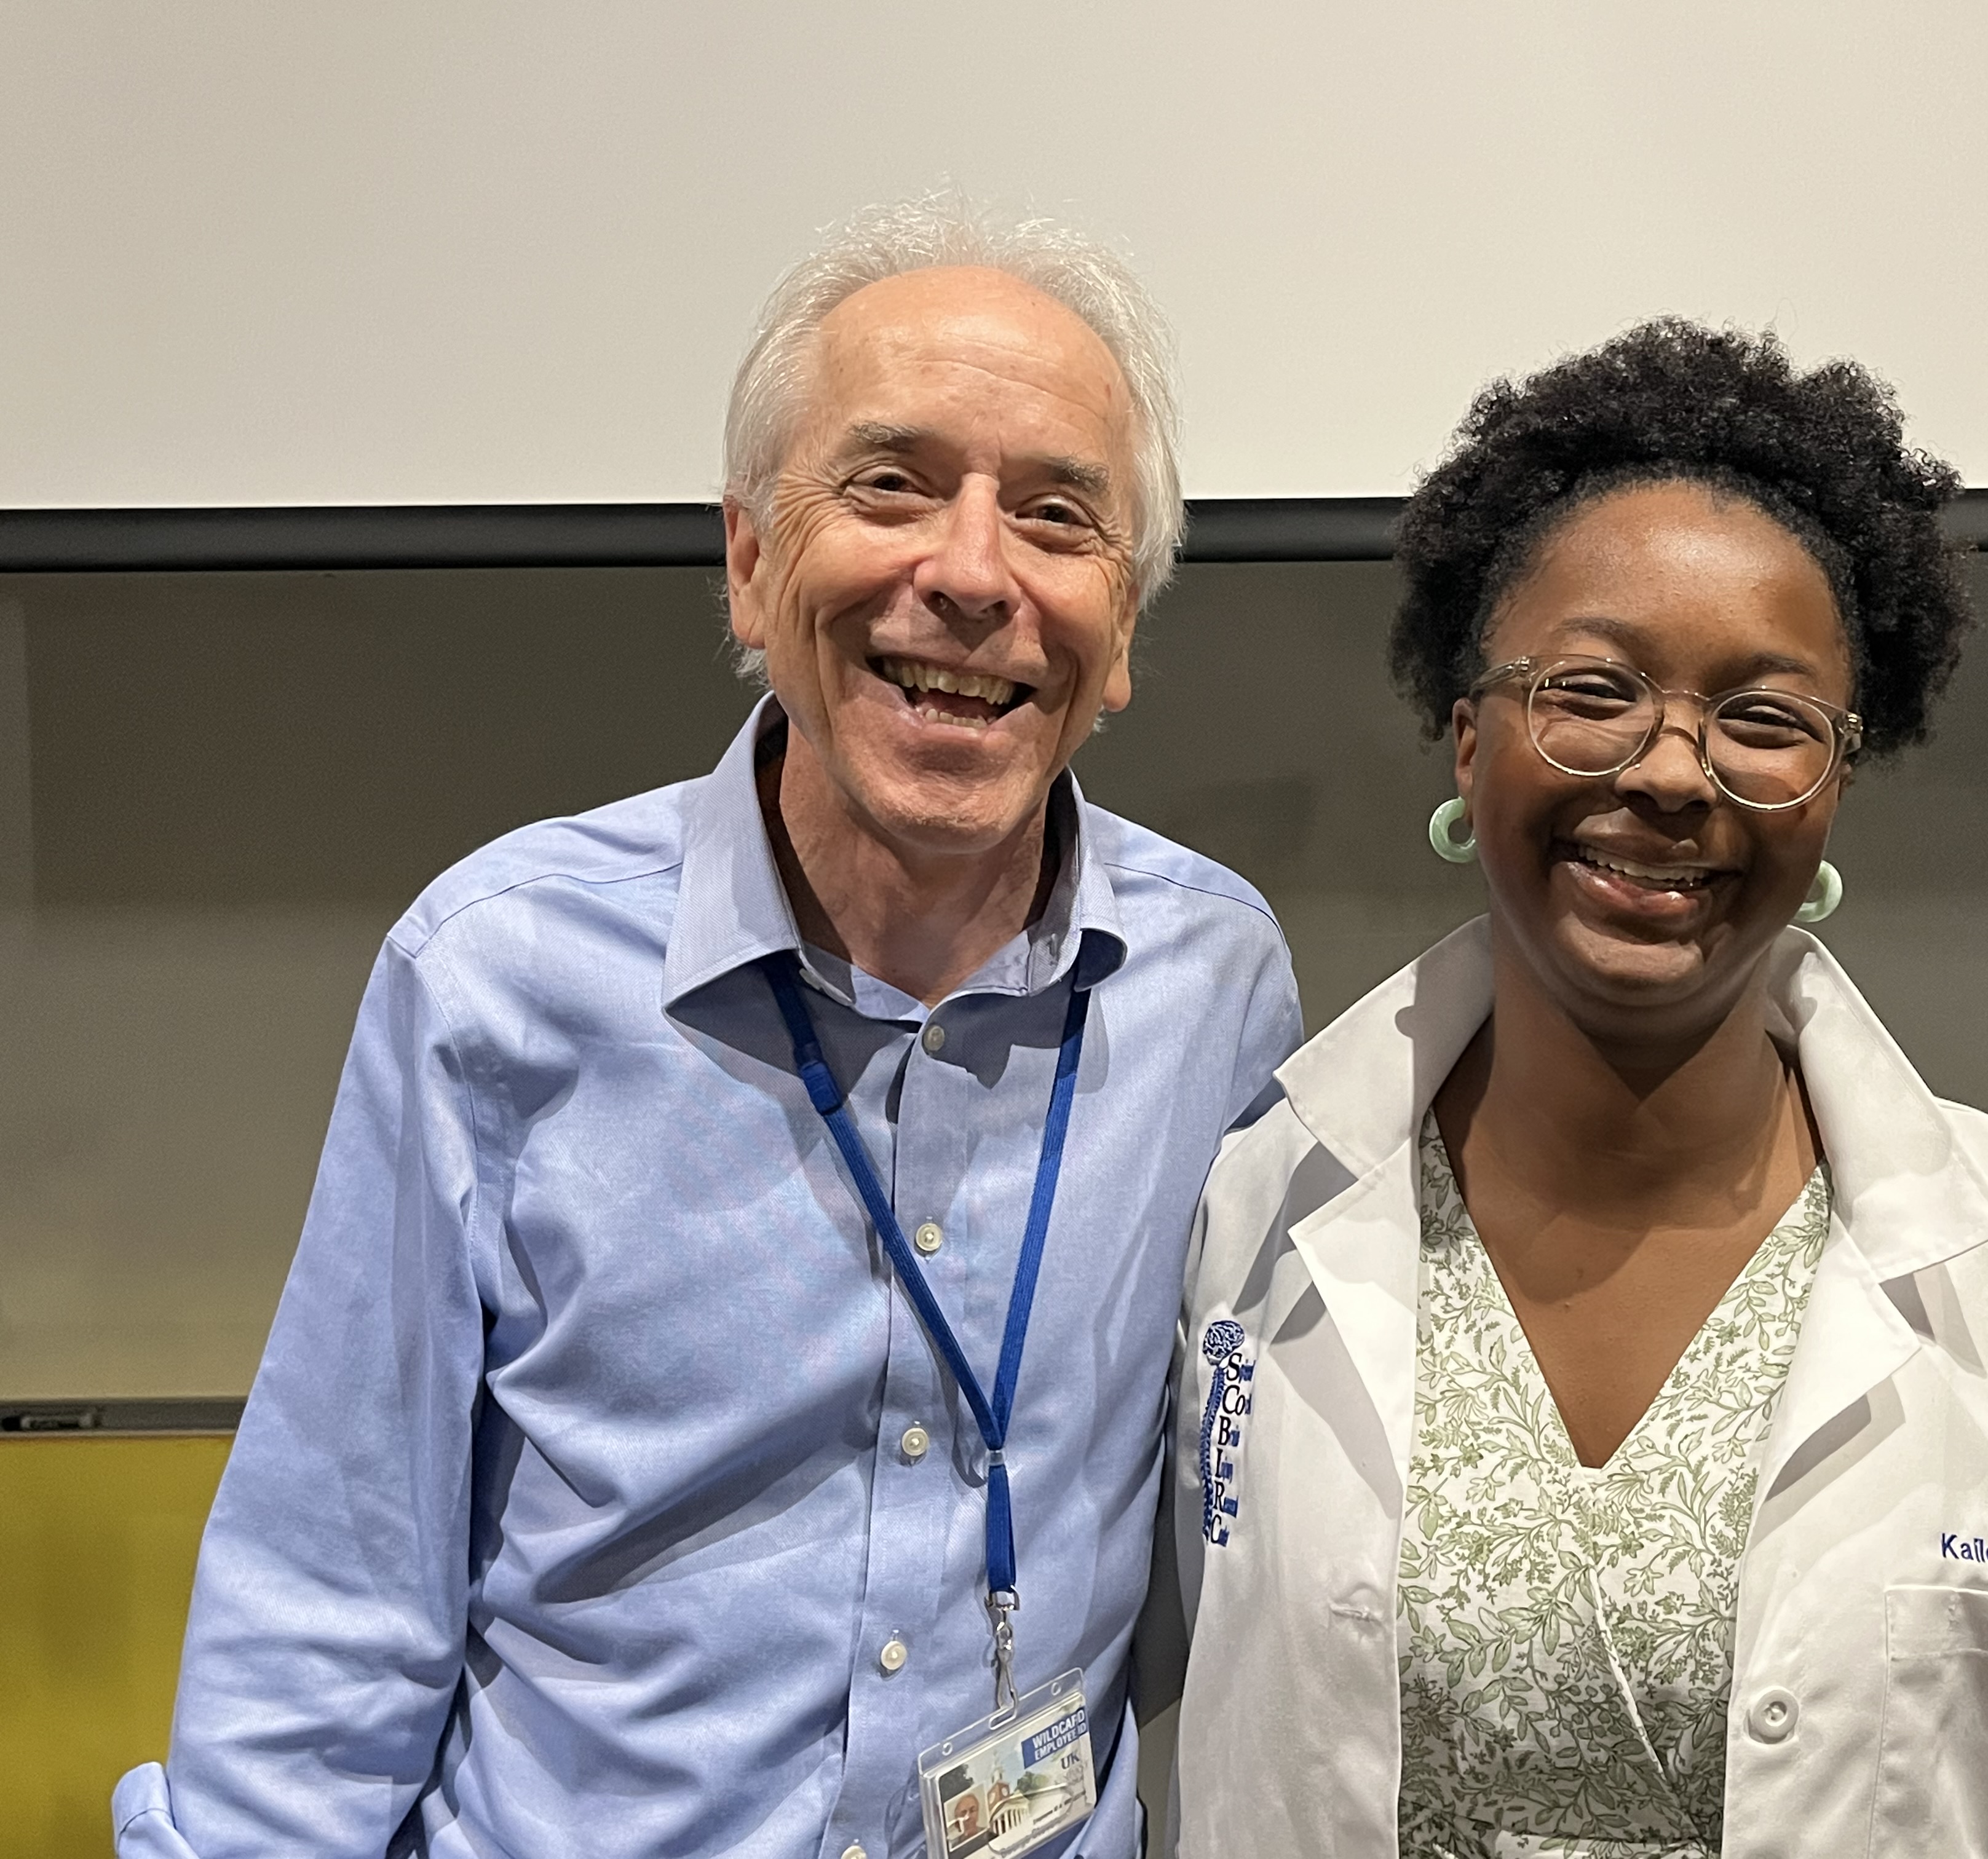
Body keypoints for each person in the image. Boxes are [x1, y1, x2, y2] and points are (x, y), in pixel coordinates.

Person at [114, 197, 1300, 1859]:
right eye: (889, 486)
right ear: (748, 561)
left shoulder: (1216, 987)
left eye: (1056, 516)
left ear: (1122, 635)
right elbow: (330, 1603)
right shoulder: (502, 974)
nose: (970, 573)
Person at [1168, 322, 1988, 1858]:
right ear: (1468, 740)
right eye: (1594, 690)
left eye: (1764, 719)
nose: (1672, 771)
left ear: (1836, 784)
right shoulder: (1262, 1203)